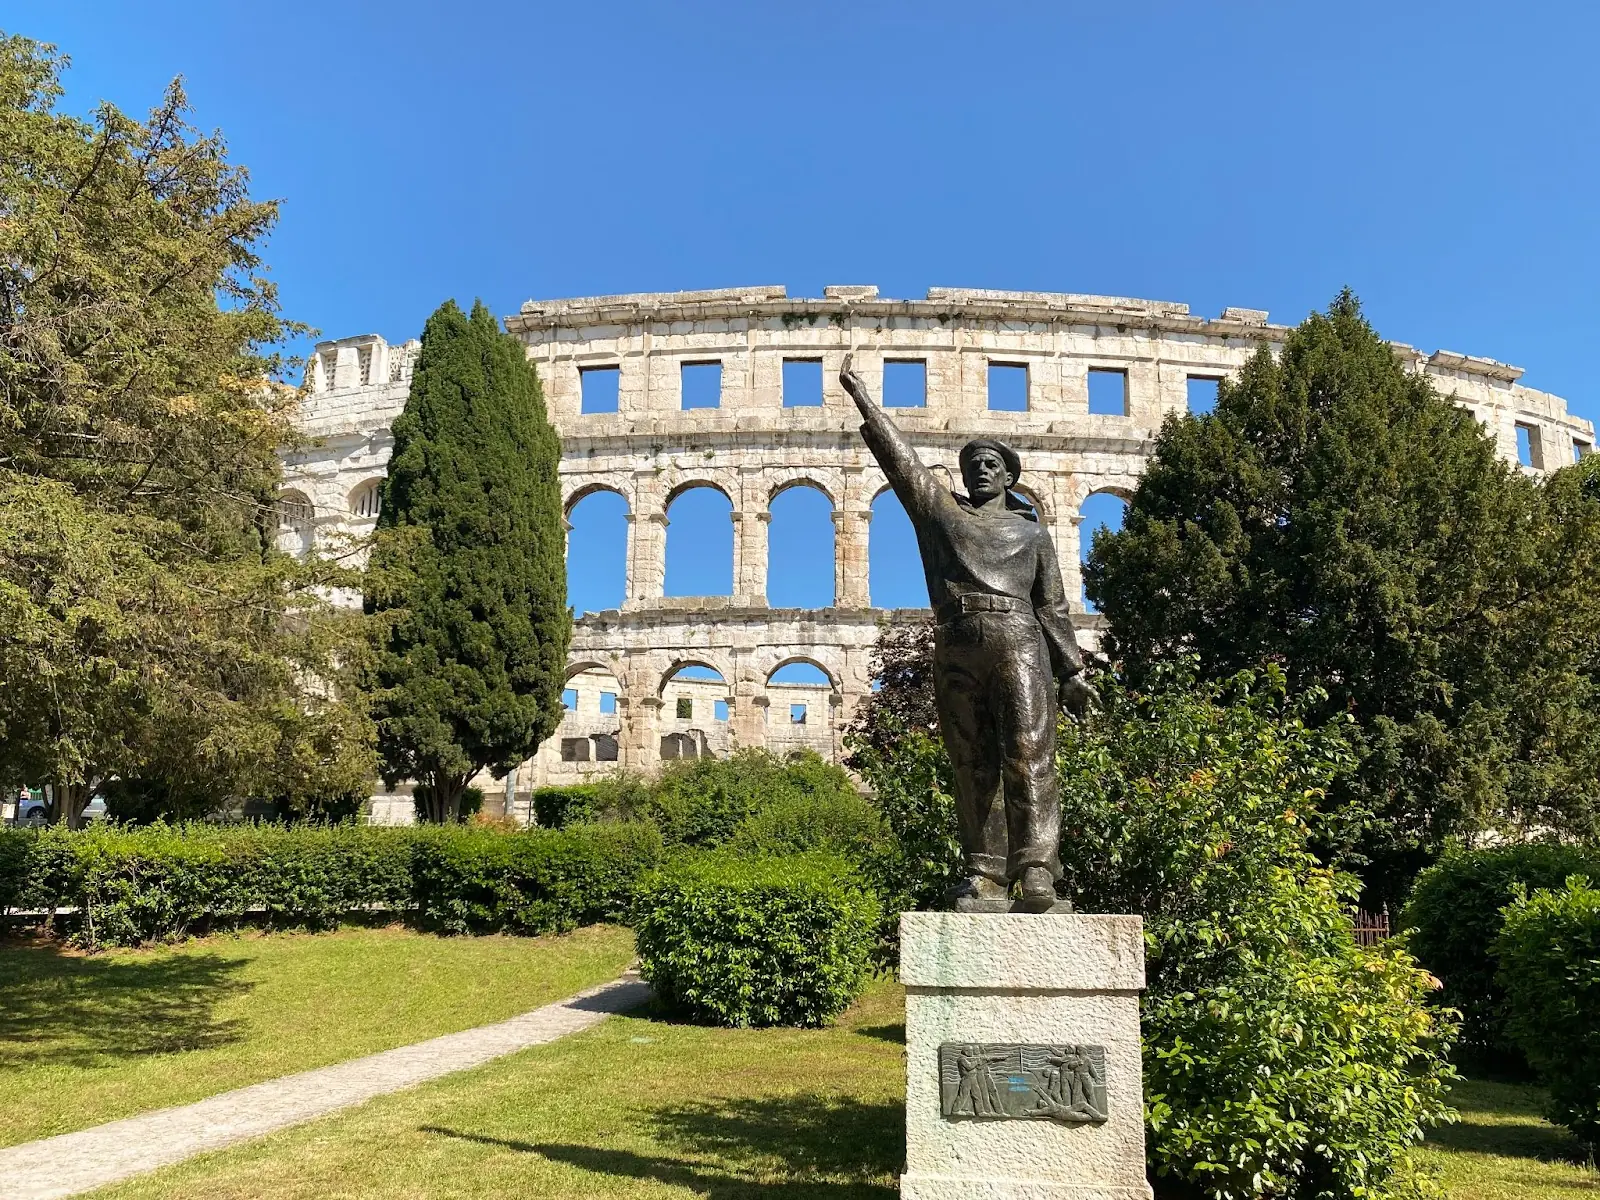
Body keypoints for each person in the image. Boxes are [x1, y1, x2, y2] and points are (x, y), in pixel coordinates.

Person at [841, 355, 1093, 911]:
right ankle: (983, 873)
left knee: (1029, 754)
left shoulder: (1032, 535)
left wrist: (1073, 670)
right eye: (972, 463)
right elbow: (900, 461)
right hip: (957, 642)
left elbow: (1053, 606)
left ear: (1009, 477)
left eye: (990, 463)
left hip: (1017, 638)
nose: (980, 469)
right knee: (970, 760)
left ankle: (1035, 870)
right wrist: (863, 399)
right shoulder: (942, 515)